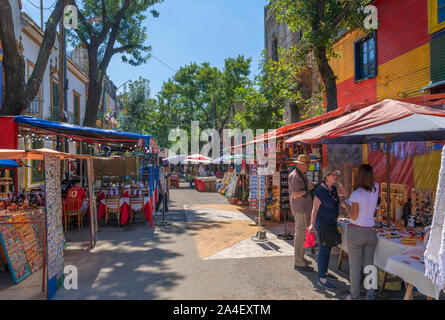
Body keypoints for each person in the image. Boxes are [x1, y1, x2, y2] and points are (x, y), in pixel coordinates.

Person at [343, 164, 379, 300]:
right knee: (370, 265)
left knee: (355, 267)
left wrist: (346, 206)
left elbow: (353, 216)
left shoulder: (356, 194)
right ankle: (370, 295)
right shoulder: (376, 187)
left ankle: (354, 295)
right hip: (371, 231)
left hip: (356, 231)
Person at [308, 164, 345, 290]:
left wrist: (340, 185)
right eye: (333, 175)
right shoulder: (320, 190)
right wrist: (312, 224)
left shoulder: (333, 189)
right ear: (326, 176)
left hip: (331, 221)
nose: (335, 177)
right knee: (324, 249)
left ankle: (325, 272)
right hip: (322, 223)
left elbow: (343, 196)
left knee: (329, 246)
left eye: (336, 175)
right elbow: (315, 209)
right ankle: (321, 278)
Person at [288, 154, 315, 271]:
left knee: (304, 234)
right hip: (301, 209)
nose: (308, 167)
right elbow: (295, 194)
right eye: (306, 164)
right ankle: (299, 260)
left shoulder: (300, 175)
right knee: (300, 235)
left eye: (308, 164)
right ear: (300, 164)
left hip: (305, 208)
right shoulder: (295, 176)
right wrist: (307, 189)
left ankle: (301, 257)